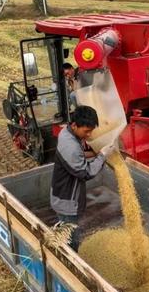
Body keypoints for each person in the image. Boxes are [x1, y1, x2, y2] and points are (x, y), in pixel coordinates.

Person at [50, 105, 116, 251]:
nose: (89, 135)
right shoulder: (70, 145)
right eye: (86, 131)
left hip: (62, 192)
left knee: (66, 231)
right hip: (66, 200)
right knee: (70, 239)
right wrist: (102, 155)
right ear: (74, 125)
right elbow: (86, 173)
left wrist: (94, 154)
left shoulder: (67, 133)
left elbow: (77, 156)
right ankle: (69, 265)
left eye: (91, 131)